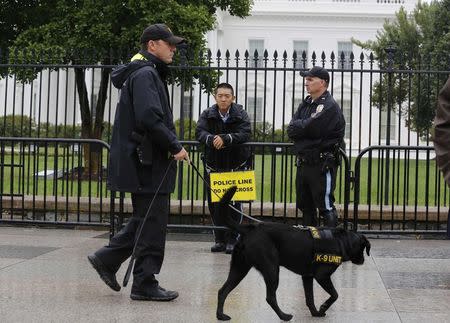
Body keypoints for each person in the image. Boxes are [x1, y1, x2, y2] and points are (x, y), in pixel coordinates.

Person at [87, 23, 189, 302]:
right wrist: (174, 145)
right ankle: (144, 282)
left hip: (145, 159)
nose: (173, 49)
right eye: (169, 44)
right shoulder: (145, 74)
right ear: (152, 45)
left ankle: (107, 259)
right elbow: (149, 117)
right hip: (148, 161)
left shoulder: (146, 72)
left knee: (146, 219)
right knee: (152, 222)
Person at [196, 83, 252, 254]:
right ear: (215, 97)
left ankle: (232, 240)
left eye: (227, 96)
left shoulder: (241, 113)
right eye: (220, 95)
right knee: (215, 204)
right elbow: (199, 132)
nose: (223, 98)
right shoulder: (207, 114)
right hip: (214, 165)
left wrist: (226, 138)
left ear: (233, 98)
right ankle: (219, 240)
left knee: (234, 205)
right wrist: (212, 139)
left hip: (236, 165)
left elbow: (246, 132)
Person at [287, 66, 345, 227]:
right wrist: (304, 128)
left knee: (325, 205)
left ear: (323, 83)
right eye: (306, 79)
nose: (306, 83)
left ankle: (331, 244)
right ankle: (310, 243)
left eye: (310, 79)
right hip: (304, 162)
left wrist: (303, 129)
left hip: (321, 164)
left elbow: (312, 128)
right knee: (306, 206)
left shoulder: (329, 106)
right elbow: (292, 129)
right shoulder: (306, 104)